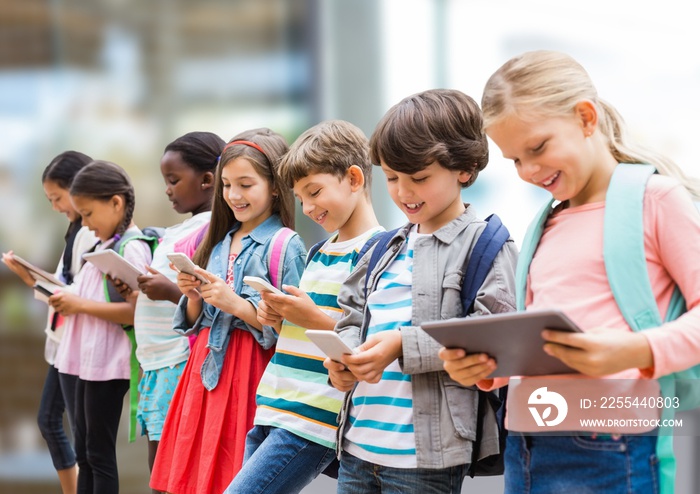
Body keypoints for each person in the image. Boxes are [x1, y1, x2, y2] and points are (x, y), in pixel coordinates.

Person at [440, 50, 700, 493]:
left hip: (614, 444)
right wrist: (488, 368)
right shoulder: (545, 224)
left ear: (585, 118)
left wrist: (633, 351)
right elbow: (544, 344)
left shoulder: (656, 200)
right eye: (516, 160)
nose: (529, 171)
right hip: (525, 440)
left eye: (538, 148)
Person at [324, 89, 518, 494]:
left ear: (464, 168)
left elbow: (494, 334)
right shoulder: (382, 246)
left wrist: (402, 344)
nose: (402, 192)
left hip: (424, 460)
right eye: (392, 178)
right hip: (357, 446)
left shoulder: (488, 244)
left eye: (419, 178)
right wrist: (343, 360)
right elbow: (352, 315)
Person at [225, 120, 384, 494]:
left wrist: (309, 317)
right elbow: (302, 335)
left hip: (312, 419)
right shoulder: (318, 253)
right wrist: (278, 318)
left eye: (314, 192)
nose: (309, 207)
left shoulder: (379, 251)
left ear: (354, 179)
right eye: (301, 198)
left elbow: (367, 345)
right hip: (274, 407)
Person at [149, 128, 307, 494]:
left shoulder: (285, 245)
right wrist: (192, 295)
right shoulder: (217, 240)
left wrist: (235, 304)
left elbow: (294, 332)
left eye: (246, 184)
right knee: (189, 480)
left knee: (234, 478)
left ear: (274, 185)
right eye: (226, 185)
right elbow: (193, 323)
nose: (234, 195)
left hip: (250, 376)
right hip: (202, 375)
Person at [111, 131, 224, 493]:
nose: (167, 189)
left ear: (207, 180)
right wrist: (138, 290)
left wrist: (166, 290)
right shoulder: (180, 229)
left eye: (173, 180)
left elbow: (209, 299)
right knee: (158, 464)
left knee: (170, 466)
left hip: (179, 361)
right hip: (157, 362)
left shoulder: (212, 230)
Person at [48, 160, 152, 494]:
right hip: (88, 360)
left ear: (116, 203)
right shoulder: (102, 246)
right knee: (85, 452)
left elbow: (137, 313)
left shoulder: (131, 249)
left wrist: (79, 305)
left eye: (89, 214)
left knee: (99, 454)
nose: (86, 225)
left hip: (108, 364)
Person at [1, 151, 96, 494]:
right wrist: (30, 278)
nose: (55, 207)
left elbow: (80, 292)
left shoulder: (91, 232)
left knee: (68, 429)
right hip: (64, 340)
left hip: (78, 343)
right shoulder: (75, 230)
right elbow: (63, 286)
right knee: (54, 421)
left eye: (57, 198)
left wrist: (38, 283)